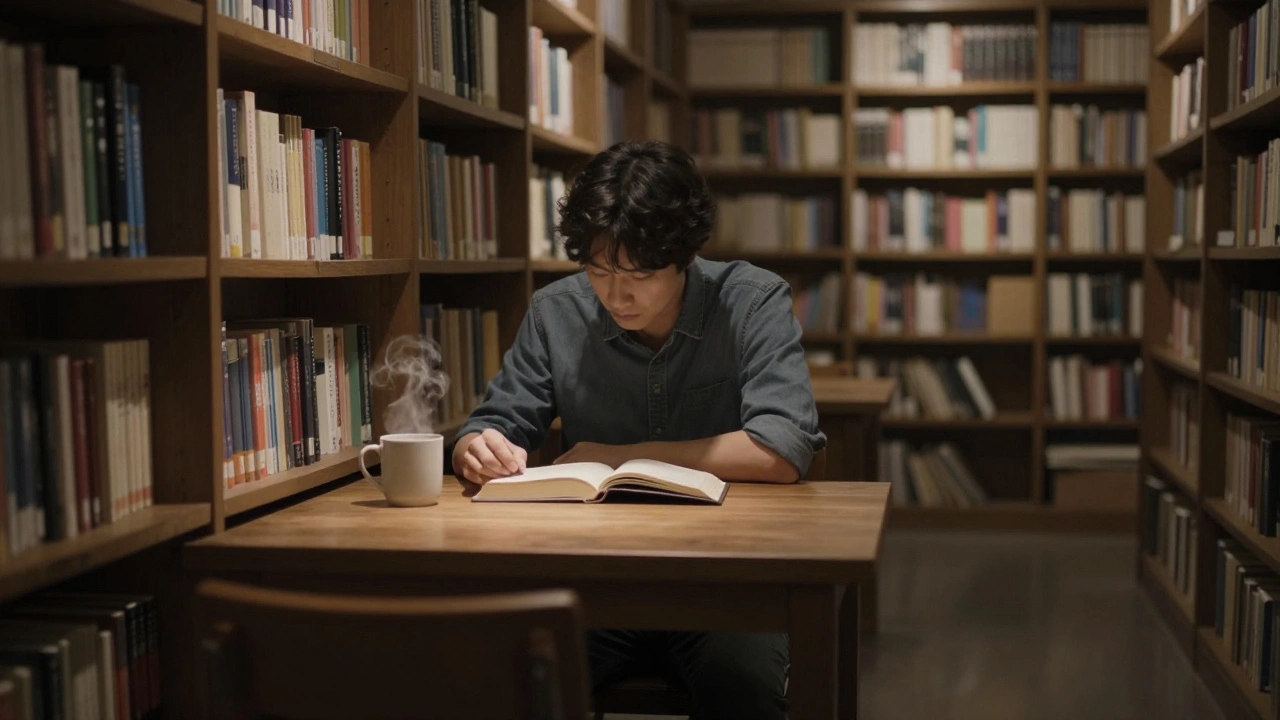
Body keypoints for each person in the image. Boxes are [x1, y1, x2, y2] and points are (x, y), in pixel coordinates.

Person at [450, 139, 824, 720]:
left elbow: (781, 450)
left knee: (742, 685)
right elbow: (499, 421)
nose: (616, 294)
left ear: (684, 257)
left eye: (641, 275)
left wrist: (618, 456)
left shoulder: (751, 302)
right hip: (593, 581)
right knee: (508, 676)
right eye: (598, 269)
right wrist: (478, 448)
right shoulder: (557, 312)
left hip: (725, 583)